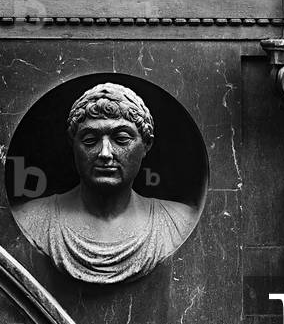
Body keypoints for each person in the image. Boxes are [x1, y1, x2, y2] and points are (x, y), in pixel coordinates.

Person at [15, 83, 197, 284]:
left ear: (146, 144)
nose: (105, 153)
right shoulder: (33, 218)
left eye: (121, 139)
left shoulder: (178, 221)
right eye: (90, 140)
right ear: (72, 144)